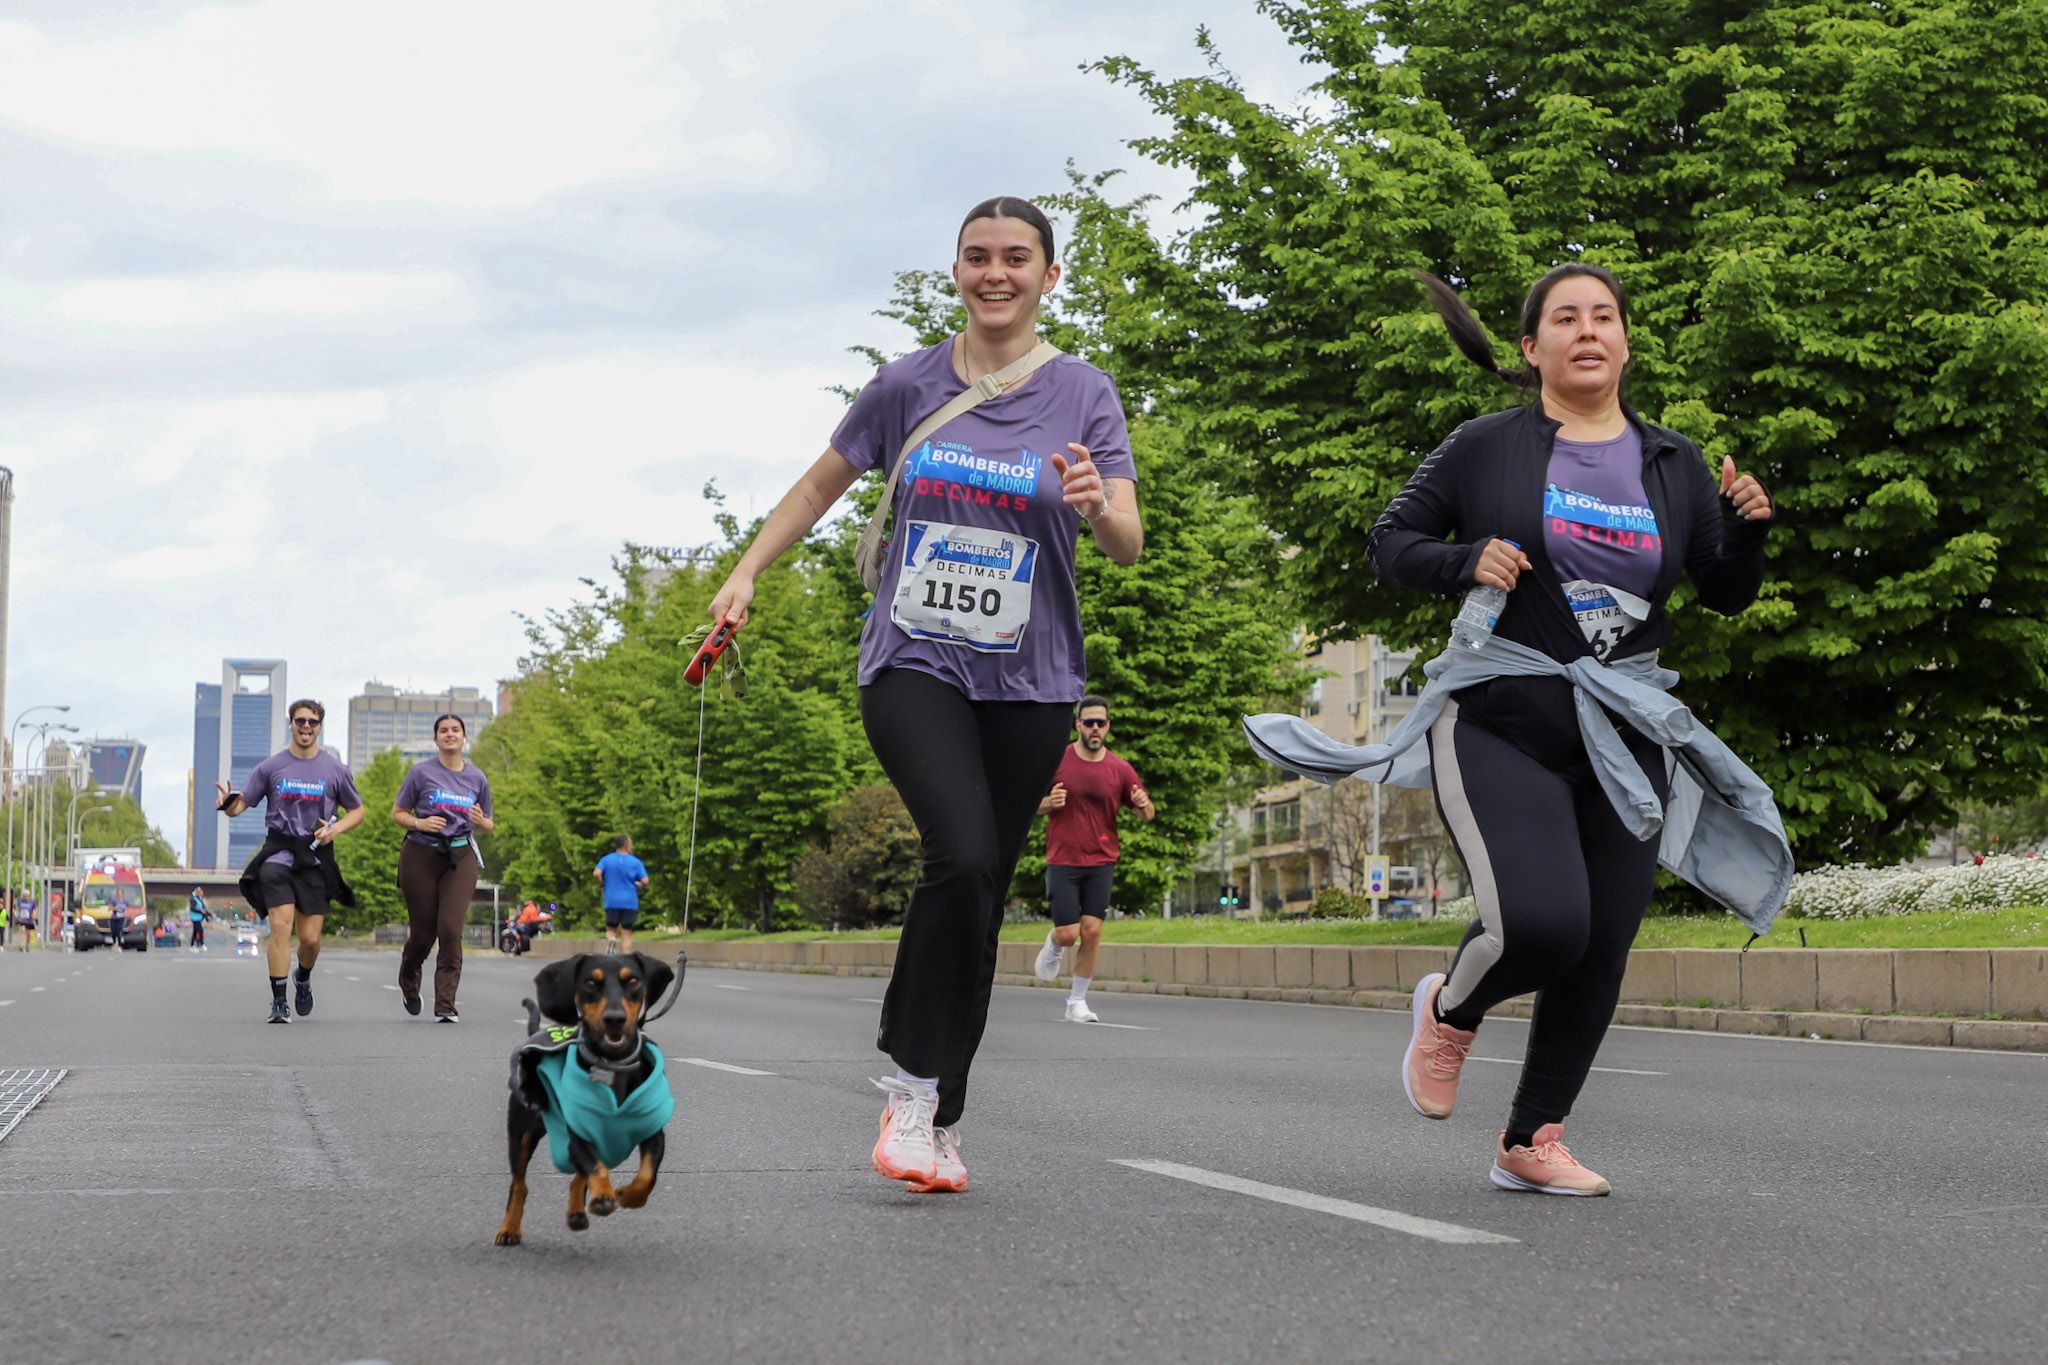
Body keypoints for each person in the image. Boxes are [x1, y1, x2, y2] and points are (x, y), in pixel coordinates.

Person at [1246, 264, 1782, 1197]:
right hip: (1500, 716)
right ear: (1532, 346)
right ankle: (1450, 1007)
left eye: (1604, 317)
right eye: (1565, 318)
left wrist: (1746, 533)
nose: (1588, 331)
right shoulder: (1483, 446)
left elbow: (1726, 593)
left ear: (1625, 341)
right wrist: (1467, 558)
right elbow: (1391, 542)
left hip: (1624, 735)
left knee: (1603, 940)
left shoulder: (1675, 462)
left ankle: (1530, 1139)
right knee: (1543, 923)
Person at [710, 195, 1144, 1194]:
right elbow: (820, 485)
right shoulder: (905, 384)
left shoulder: (1083, 393)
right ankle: (909, 1085)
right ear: (956, 271)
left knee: (983, 890)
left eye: (1016, 259)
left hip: (1031, 677)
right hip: (915, 662)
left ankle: (943, 1118)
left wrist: (1093, 508)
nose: (995, 274)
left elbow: (1125, 538)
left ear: (1048, 276)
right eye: (976, 258)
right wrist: (747, 571)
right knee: (961, 852)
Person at [218, 699, 366, 1024]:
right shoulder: (271, 767)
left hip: (315, 855)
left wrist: (335, 829)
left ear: (320, 727)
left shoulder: (335, 770)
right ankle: (279, 1001)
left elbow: (358, 810)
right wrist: (226, 804)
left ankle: (303, 977)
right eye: (300, 721)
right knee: (281, 926)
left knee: (311, 939)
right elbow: (240, 805)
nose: (306, 727)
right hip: (279, 852)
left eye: (312, 722)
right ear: (291, 724)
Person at [1032, 694, 1154, 1022]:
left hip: (1101, 859)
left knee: (1093, 930)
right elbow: (1026, 803)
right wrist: (1047, 803)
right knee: (1070, 933)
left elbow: (1148, 814)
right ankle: (1055, 943)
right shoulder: (1058, 759)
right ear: (1078, 726)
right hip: (1063, 858)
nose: (1095, 728)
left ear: (1108, 726)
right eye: (1089, 722)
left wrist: (1144, 803)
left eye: (1101, 722)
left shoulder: (1120, 768)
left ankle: (1077, 1002)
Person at [393, 714, 495, 1022]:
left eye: (455, 730)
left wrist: (481, 822)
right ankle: (408, 977)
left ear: (464, 737)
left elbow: (488, 823)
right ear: (436, 738)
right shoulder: (421, 773)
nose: (450, 735)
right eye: (443, 731)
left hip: (460, 855)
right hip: (421, 853)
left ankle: (446, 1005)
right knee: (424, 933)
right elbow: (398, 813)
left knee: (450, 929)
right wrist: (419, 822)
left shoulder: (477, 778)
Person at [593, 837, 649, 955]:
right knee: (626, 932)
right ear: (626, 845)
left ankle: (612, 940)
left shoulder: (606, 859)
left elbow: (597, 873)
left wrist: (602, 884)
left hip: (611, 900)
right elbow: (645, 880)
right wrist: (639, 884)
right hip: (630, 901)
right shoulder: (635, 862)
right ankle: (626, 958)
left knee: (610, 928)